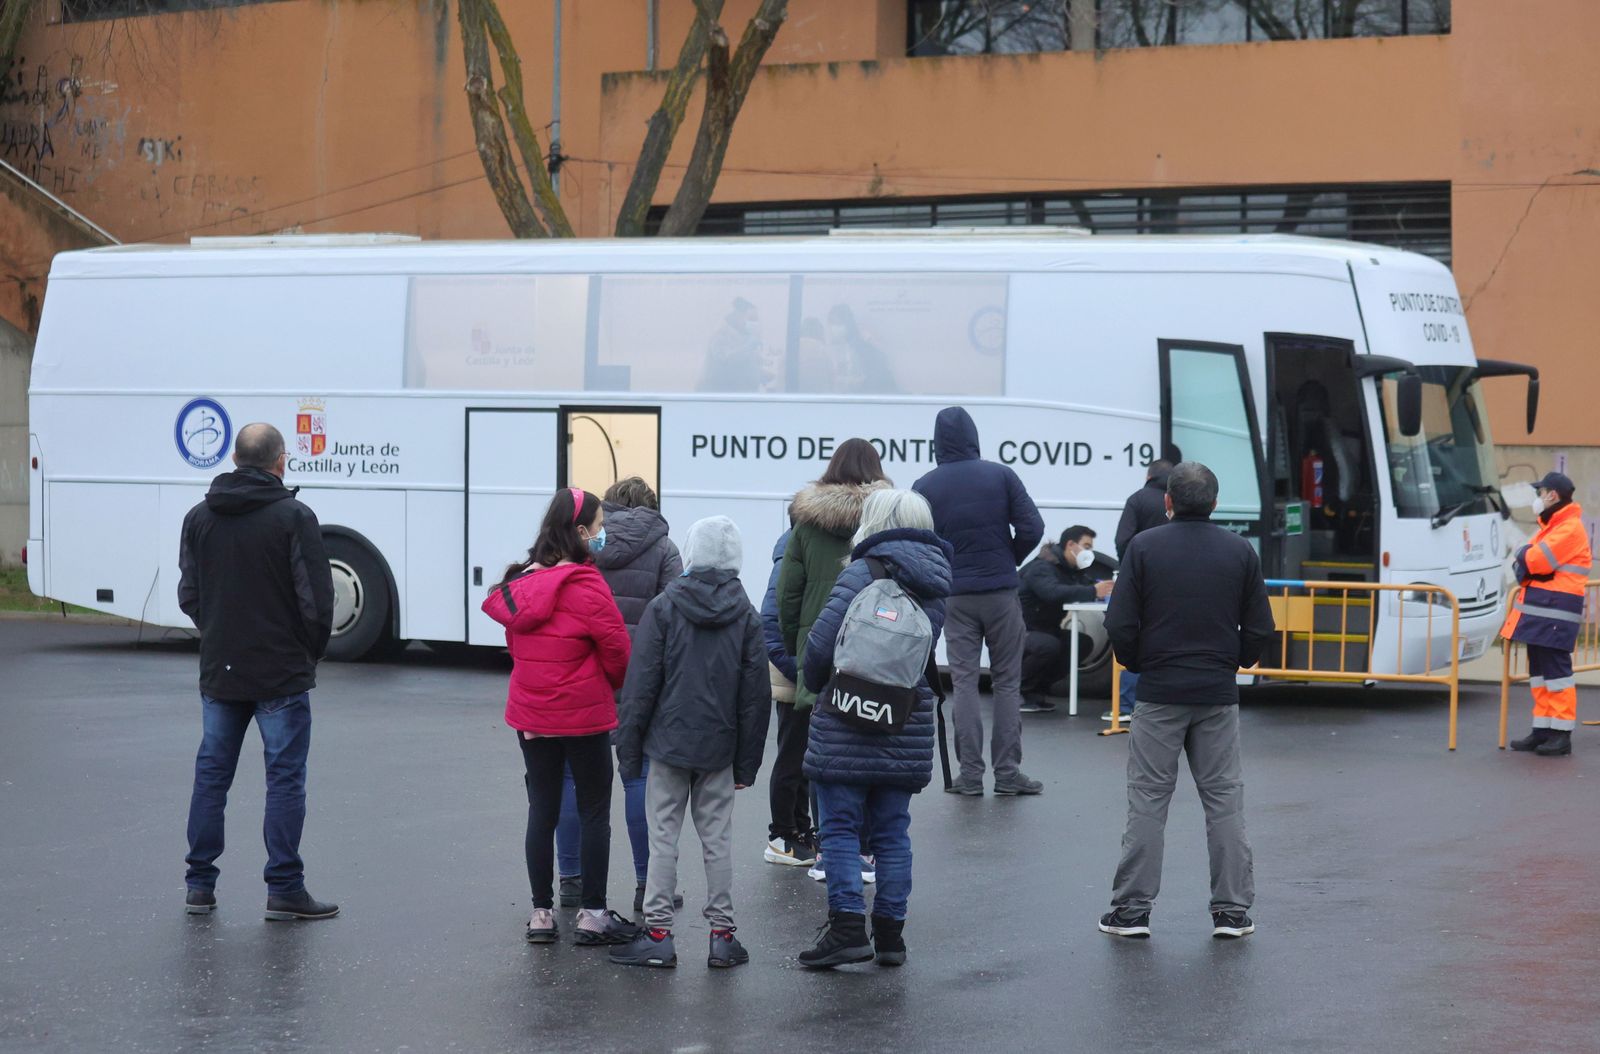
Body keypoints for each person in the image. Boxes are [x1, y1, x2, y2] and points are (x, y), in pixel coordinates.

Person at [1098, 461, 1275, 941]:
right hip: (1217, 692)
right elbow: (1260, 626)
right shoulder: (1239, 551)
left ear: (1168, 502)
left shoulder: (1144, 547)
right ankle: (1232, 912)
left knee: (1149, 801)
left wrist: (1139, 662)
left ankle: (1132, 912)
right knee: (1223, 801)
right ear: (1215, 504)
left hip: (1159, 691)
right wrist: (1236, 661)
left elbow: (1119, 623)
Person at [178, 422, 338, 921]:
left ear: (233, 459)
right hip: (280, 672)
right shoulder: (294, 517)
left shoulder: (199, 517)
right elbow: (316, 600)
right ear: (279, 462)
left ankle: (199, 885)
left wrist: (219, 633)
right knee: (285, 780)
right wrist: (307, 653)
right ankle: (285, 889)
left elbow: (190, 594)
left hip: (221, 670)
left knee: (211, 776)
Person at [796, 489, 953, 968]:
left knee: (840, 827)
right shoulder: (936, 582)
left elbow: (820, 650)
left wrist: (820, 684)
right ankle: (890, 936)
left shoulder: (862, 572)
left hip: (846, 718)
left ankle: (846, 928)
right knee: (892, 832)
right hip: (902, 722)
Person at [610, 517, 771, 969]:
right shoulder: (746, 614)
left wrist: (630, 748)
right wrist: (746, 765)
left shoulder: (665, 607)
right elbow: (754, 697)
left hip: (668, 743)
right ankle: (723, 936)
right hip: (719, 748)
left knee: (664, 838)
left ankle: (658, 934)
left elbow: (641, 684)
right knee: (717, 841)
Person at [482, 487, 638, 947]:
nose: (602, 533)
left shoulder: (520, 583)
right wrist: (602, 684)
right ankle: (592, 914)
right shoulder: (587, 585)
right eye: (599, 525)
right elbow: (619, 654)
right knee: (593, 811)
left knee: (542, 809)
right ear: (580, 532)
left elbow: (517, 647)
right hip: (585, 716)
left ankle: (541, 914)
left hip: (532, 715)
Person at [553, 476, 682, 914]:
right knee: (639, 779)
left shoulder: (584, 543)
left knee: (573, 779)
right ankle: (649, 885)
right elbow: (674, 620)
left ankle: (570, 881)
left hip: (584, 674)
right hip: (642, 680)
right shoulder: (665, 550)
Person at [912, 407, 1045, 796]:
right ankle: (1007, 774)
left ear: (937, 442)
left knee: (965, 682)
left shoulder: (926, 485)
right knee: (1007, 683)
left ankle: (970, 776)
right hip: (1001, 592)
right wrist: (1010, 557)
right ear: (974, 437)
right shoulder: (1000, 475)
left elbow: (919, 540)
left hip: (955, 596)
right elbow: (1032, 527)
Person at [774, 439, 891, 872]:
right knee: (867, 747)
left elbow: (789, 596)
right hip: (873, 649)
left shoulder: (806, 524)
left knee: (823, 755)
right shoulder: (886, 519)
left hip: (818, 651)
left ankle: (827, 852)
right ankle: (865, 851)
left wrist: (798, 646)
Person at [1504, 471, 1592, 757]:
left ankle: (1561, 734)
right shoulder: (1554, 525)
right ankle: (1542, 730)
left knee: (1556, 674)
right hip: (1543, 609)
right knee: (1540, 674)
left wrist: (1524, 556)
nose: (1538, 498)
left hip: (1555, 610)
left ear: (1552, 494)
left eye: (1540, 492)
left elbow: (1534, 559)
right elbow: (1528, 560)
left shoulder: (1568, 528)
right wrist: (1525, 557)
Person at [1018, 526, 1115, 713]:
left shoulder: (1068, 569)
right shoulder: (1041, 567)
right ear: (1071, 544)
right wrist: (1093, 591)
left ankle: (1037, 692)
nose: (1089, 552)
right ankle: (1018, 689)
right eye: (1086, 546)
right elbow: (1052, 593)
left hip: (1045, 628)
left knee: (1082, 643)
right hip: (1021, 629)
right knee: (1048, 645)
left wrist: (1102, 589)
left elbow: (1084, 584)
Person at [763, 515, 814, 866]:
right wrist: (797, 668)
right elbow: (771, 619)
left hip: (798, 667)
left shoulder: (794, 549)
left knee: (803, 755)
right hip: (794, 670)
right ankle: (782, 834)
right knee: (793, 755)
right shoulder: (790, 555)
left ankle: (799, 829)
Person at [1110, 459, 1174, 719]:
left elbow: (1123, 539)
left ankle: (1127, 706)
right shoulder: (1174, 502)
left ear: (1149, 476)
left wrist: (1130, 568)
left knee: (1137, 632)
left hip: (1143, 578)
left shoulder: (1138, 499)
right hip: (1173, 579)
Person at [698, 297, 766, 392]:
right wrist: (749, 346)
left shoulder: (743, 338)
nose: (754, 324)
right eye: (751, 319)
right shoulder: (721, 336)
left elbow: (745, 366)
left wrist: (762, 375)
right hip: (718, 397)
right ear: (737, 316)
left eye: (755, 320)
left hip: (741, 396)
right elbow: (727, 359)